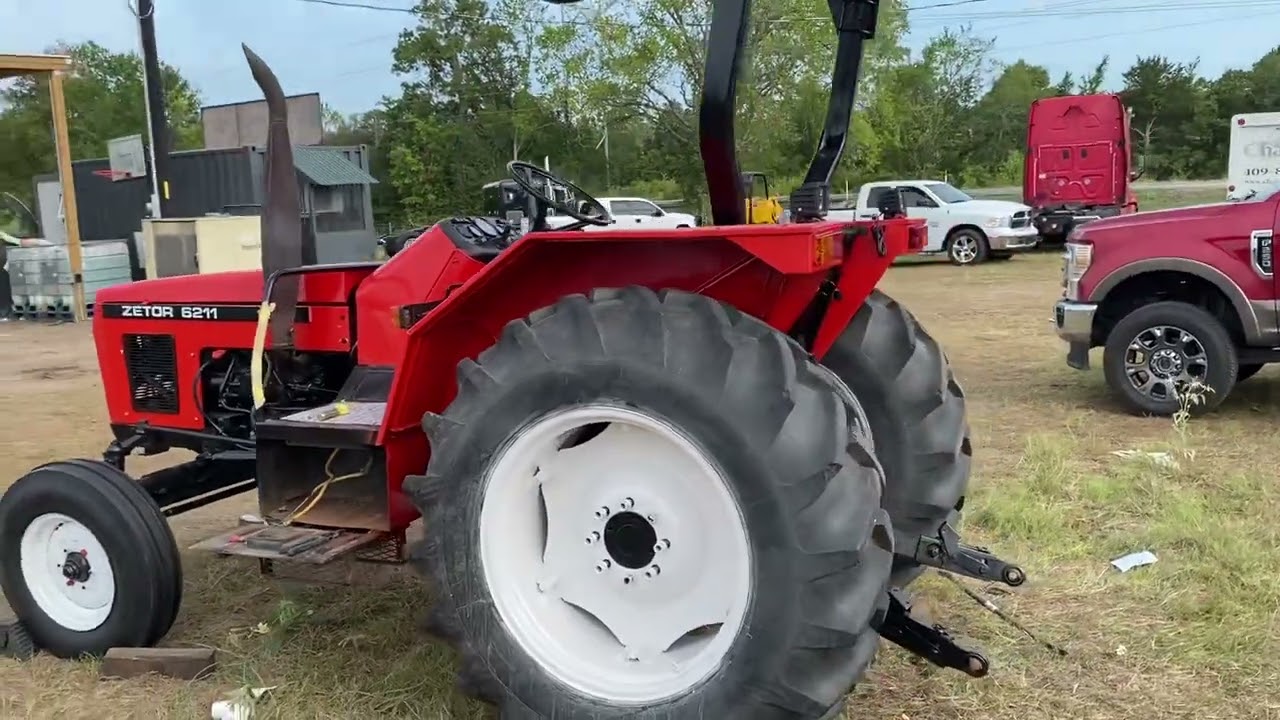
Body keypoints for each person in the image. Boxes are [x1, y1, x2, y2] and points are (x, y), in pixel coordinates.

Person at [0, 241, 12, 321]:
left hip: (3, 271)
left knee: (4, 292)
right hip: (3, 270)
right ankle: (4, 313)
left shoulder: (3, 249)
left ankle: (5, 314)